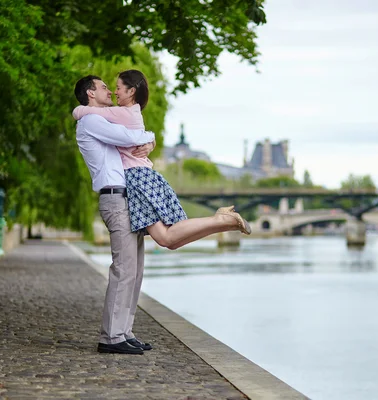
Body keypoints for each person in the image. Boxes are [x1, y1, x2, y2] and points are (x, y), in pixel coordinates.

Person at [73, 69, 251, 251]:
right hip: (145, 175)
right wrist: (151, 140)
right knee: (172, 240)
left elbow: (86, 112)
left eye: (118, 88)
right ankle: (223, 222)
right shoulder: (131, 113)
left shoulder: (119, 113)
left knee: (165, 237)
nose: (114, 91)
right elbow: (130, 134)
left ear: (131, 91)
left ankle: (221, 219)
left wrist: (78, 110)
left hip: (136, 177)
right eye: (109, 88)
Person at [74, 75, 156, 355]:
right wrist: (151, 138)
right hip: (114, 197)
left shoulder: (102, 118)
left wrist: (148, 144)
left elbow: (131, 141)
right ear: (90, 93)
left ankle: (124, 331)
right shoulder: (91, 121)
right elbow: (129, 137)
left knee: (135, 269)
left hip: (127, 197)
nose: (109, 90)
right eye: (103, 87)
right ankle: (111, 337)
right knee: (124, 269)